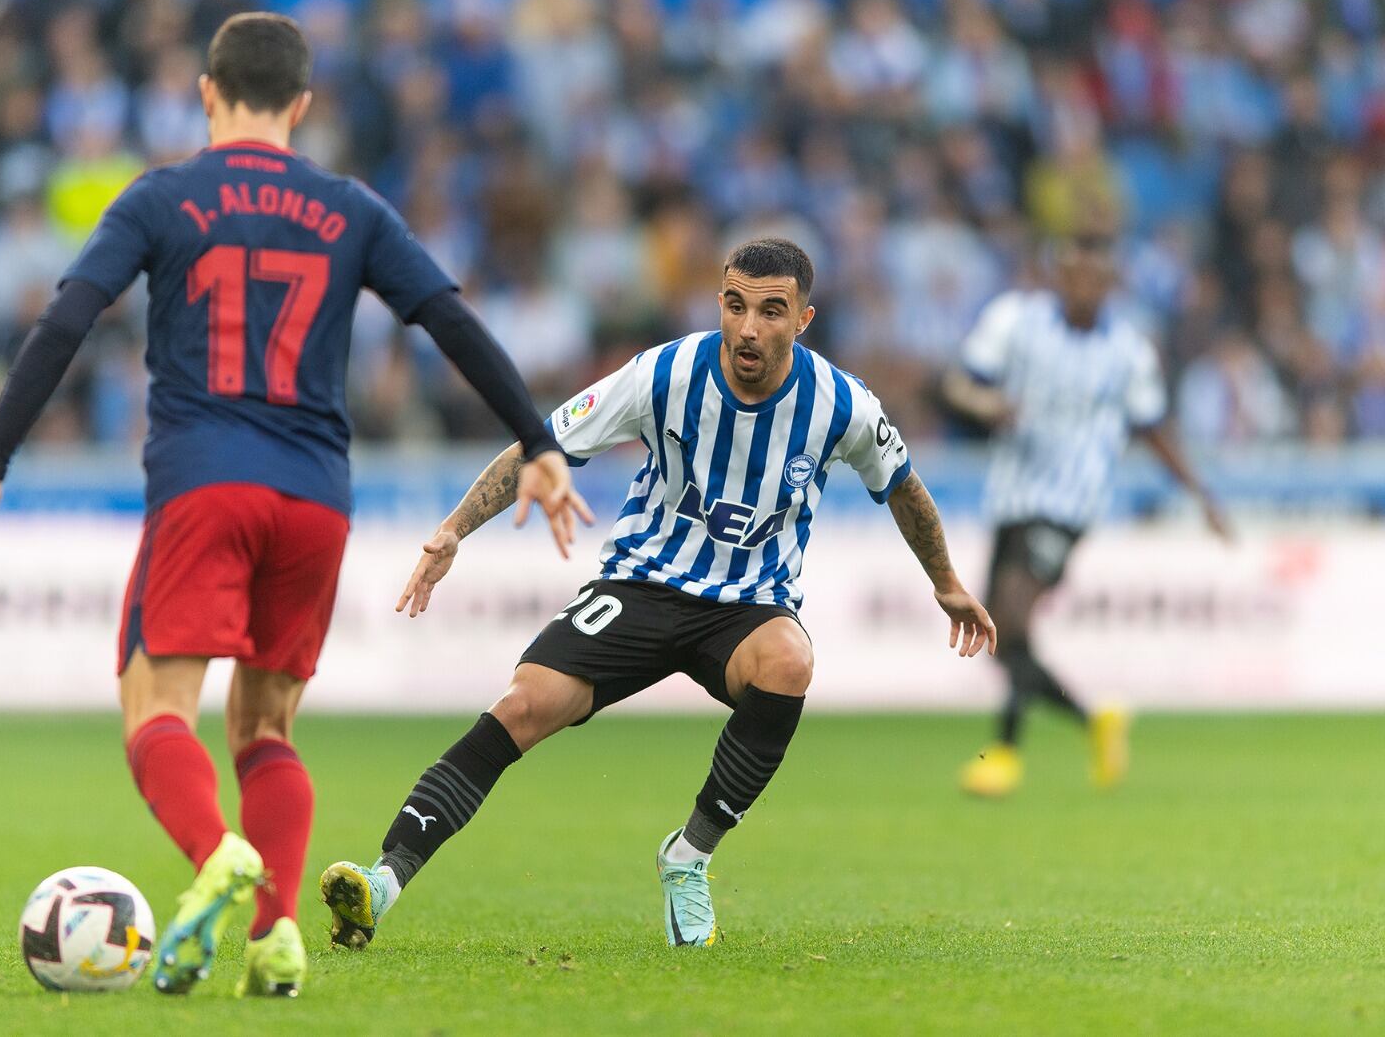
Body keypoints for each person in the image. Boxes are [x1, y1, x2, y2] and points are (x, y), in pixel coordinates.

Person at [0, 13, 588, 998]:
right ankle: (274, 938)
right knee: (266, 731)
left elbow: (68, 314)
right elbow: (448, 316)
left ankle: (217, 853)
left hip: (203, 480)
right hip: (317, 498)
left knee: (155, 710)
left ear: (205, 92)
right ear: (302, 106)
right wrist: (538, 442)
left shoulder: (164, 196)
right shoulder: (349, 208)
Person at [318, 238, 996, 950]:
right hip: (641, 584)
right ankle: (383, 881)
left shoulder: (842, 405)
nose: (748, 328)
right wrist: (455, 528)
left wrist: (946, 583)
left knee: (789, 662)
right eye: (735, 306)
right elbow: (543, 443)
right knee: (521, 706)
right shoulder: (665, 372)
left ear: (803, 319)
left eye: (771, 311)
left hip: (748, 605)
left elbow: (905, 489)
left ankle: (689, 856)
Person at [942, 226, 1232, 799]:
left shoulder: (1128, 351)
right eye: (1073, 270)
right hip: (1011, 498)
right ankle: (1094, 721)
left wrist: (1202, 497)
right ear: (1058, 272)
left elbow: (1154, 429)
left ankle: (1004, 754)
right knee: (999, 632)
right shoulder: (1014, 322)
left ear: (1109, 282)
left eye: (1095, 274)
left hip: (1069, 505)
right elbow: (958, 384)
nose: (1082, 283)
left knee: (1012, 619)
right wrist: (985, 404)